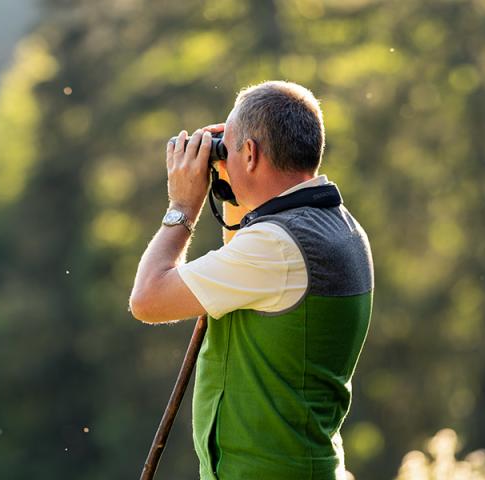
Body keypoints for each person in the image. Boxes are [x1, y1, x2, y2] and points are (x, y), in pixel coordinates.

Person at [129, 81, 373, 479]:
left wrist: (182, 207)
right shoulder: (335, 226)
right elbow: (245, 257)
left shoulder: (277, 247)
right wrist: (231, 182)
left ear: (250, 153)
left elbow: (148, 299)